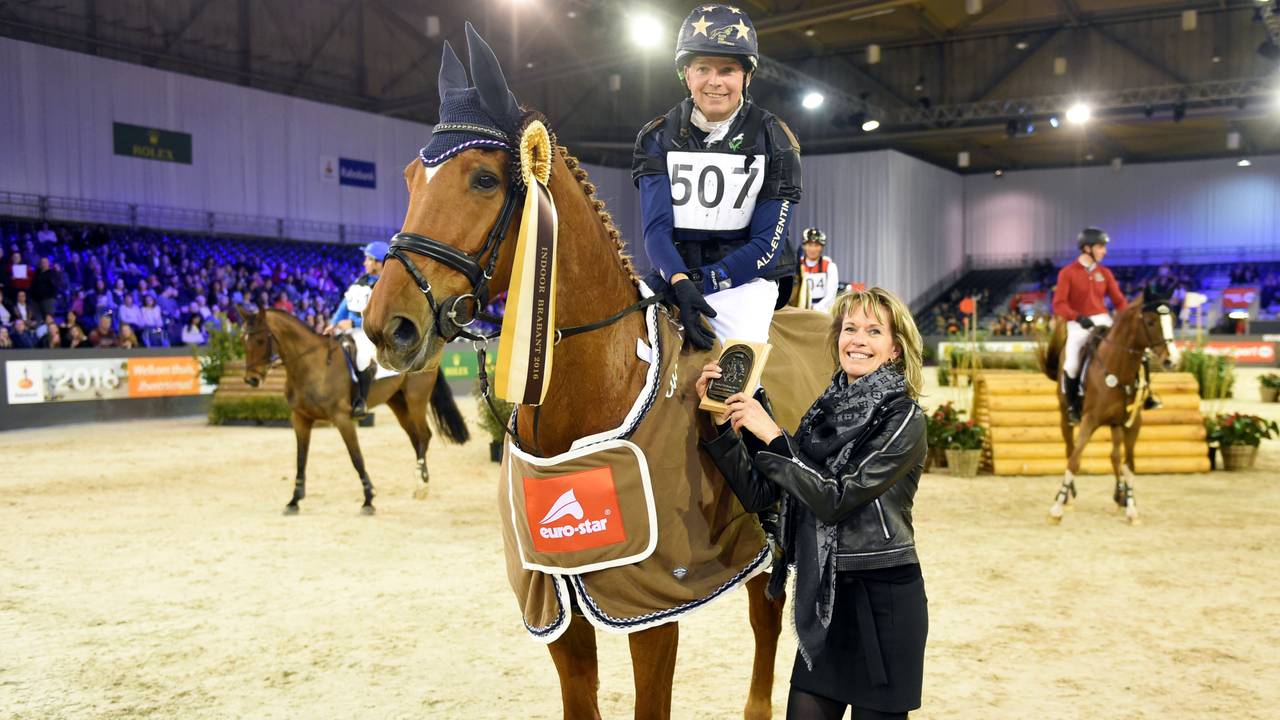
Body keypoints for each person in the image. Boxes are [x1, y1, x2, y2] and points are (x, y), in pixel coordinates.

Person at [698, 287, 928, 720]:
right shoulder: (823, 411)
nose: (857, 339)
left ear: (895, 349)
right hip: (824, 601)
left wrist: (772, 434)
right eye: (850, 328)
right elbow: (764, 495)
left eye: (873, 331)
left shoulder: (905, 418)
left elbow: (836, 498)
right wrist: (722, 429)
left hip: (883, 603)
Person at [632, 3, 802, 349]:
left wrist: (705, 281)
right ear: (686, 75)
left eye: (727, 70)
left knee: (733, 378)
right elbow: (656, 229)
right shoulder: (656, 136)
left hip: (746, 280)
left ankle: (757, 402)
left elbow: (766, 243)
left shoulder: (776, 138)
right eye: (703, 68)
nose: (714, 81)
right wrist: (680, 280)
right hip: (675, 273)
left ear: (746, 77)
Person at [1051, 227, 1127, 424]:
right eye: (1101, 247)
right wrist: (1077, 317)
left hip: (1103, 319)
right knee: (1072, 363)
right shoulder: (1067, 273)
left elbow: (1119, 301)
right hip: (1078, 324)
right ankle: (1072, 406)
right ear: (1087, 248)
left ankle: (1146, 393)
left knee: (1128, 348)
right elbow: (1058, 304)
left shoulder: (1105, 273)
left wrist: (1127, 316)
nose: (1104, 251)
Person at [324, 240, 388, 417]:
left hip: (369, 331)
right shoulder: (360, 281)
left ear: (379, 263)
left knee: (362, 359)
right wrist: (333, 323)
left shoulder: (384, 287)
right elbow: (344, 305)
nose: (364, 263)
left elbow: (381, 318)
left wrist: (353, 324)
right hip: (347, 328)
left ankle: (361, 400)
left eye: (368, 259)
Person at [799, 228, 840, 312]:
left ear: (822, 247)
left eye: (817, 245)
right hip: (799, 311)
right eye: (810, 244)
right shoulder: (797, 265)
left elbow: (831, 294)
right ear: (804, 246)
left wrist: (816, 308)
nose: (813, 249)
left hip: (822, 312)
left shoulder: (830, 266)